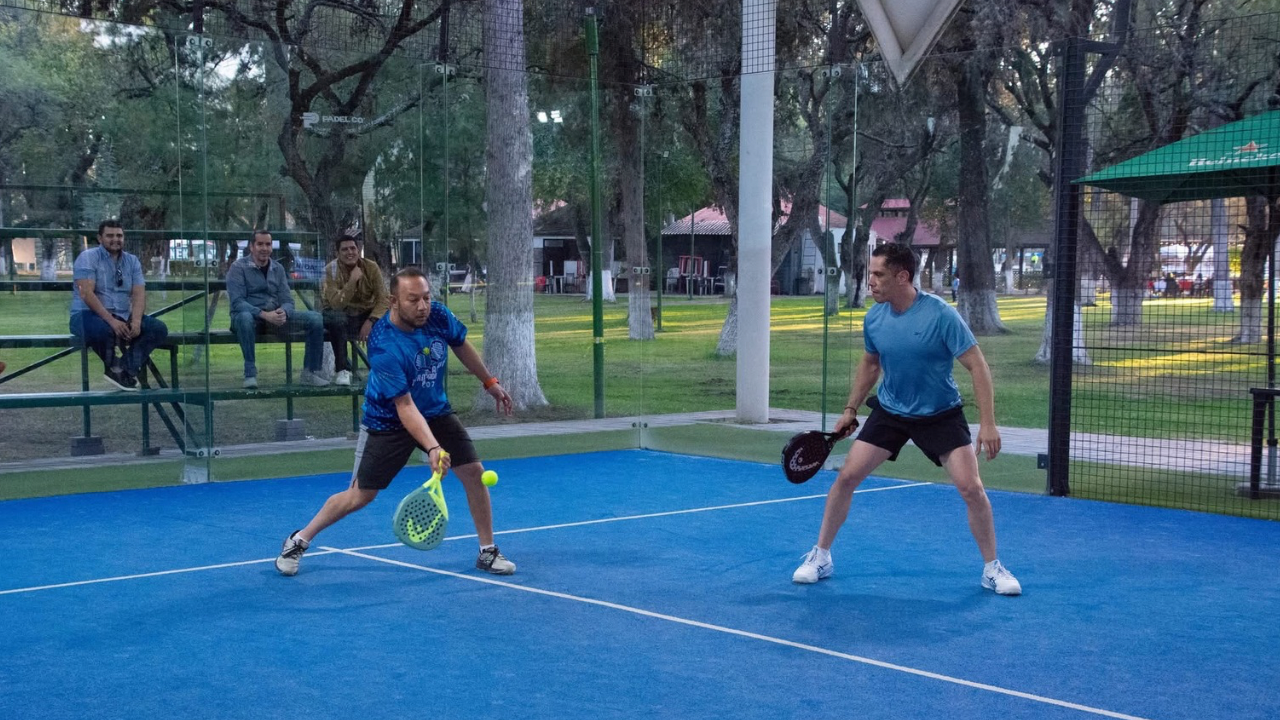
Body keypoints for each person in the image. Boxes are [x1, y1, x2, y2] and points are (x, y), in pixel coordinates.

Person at [792, 243, 1021, 596]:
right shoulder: (874, 318)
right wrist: (851, 409)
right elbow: (871, 364)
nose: (870, 281)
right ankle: (820, 556)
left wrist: (988, 423)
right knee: (847, 476)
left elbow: (978, 365)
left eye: (878, 274)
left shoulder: (940, 315)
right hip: (891, 411)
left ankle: (993, 568)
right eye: (870, 274)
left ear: (902, 277)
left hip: (940, 413)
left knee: (971, 488)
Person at [275, 267, 517, 577]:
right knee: (359, 496)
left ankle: (487, 551)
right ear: (393, 301)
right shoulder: (384, 343)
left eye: (426, 298)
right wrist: (433, 448)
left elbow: (460, 345)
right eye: (413, 300)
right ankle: (298, 540)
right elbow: (404, 406)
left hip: (435, 410)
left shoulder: (437, 315)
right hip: (387, 421)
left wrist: (489, 381)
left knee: (474, 473)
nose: (422, 306)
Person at [69, 220, 169, 391]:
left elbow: (139, 293)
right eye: (110, 235)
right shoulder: (88, 257)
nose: (115, 239)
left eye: (119, 235)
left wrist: (136, 321)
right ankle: (116, 369)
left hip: (122, 315)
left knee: (157, 328)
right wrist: (112, 321)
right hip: (87, 315)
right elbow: (86, 293)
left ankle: (124, 370)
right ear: (100, 238)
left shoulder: (132, 261)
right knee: (104, 330)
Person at [226, 229, 327, 389]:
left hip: (275, 317)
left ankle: (310, 372)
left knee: (315, 318)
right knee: (244, 318)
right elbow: (237, 302)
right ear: (251, 247)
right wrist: (264, 314)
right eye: (260, 244)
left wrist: (283, 312)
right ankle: (250, 374)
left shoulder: (278, 268)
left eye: (268, 244)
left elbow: (287, 300)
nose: (264, 248)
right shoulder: (238, 267)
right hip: (249, 318)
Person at [320, 235, 388, 387]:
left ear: (358, 250)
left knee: (389, 318)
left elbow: (383, 298)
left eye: (353, 248)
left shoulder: (371, 267)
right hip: (339, 314)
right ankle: (342, 370)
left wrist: (371, 320)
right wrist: (352, 281)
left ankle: (381, 369)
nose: (350, 252)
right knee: (337, 319)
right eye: (344, 249)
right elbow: (336, 304)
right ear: (337, 253)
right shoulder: (330, 270)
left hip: (365, 315)